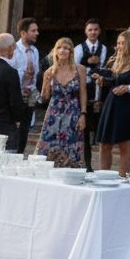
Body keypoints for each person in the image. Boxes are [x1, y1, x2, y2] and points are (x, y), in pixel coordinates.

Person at [94, 30, 130, 178]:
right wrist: (102, 80)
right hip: (111, 104)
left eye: (122, 43)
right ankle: (104, 178)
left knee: (124, 145)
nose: (119, 46)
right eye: (118, 43)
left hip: (127, 106)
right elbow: (109, 81)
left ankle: (123, 178)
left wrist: (129, 88)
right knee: (104, 144)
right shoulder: (113, 61)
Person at [34, 37, 86, 166]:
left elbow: (83, 92)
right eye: (60, 48)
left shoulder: (79, 70)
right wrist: (46, 81)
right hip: (54, 114)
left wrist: (83, 114)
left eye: (66, 48)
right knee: (48, 150)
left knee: (71, 149)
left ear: (71, 52)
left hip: (73, 113)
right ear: (55, 51)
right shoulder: (50, 71)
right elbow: (45, 97)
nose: (63, 50)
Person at [74, 18, 108, 170]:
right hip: (84, 93)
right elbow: (74, 70)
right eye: (90, 30)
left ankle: (102, 166)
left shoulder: (105, 49)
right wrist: (90, 72)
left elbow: (108, 70)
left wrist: (102, 76)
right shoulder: (79, 49)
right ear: (85, 32)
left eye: (95, 29)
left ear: (99, 31)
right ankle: (86, 164)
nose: (93, 32)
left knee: (100, 132)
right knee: (84, 133)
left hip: (99, 95)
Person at [12, 18, 40, 153]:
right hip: (16, 98)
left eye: (37, 30)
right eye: (33, 31)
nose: (37, 33)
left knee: (24, 133)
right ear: (23, 33)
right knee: (14, 134)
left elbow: (35, 76)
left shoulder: (35, 51)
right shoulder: (14, 50)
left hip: (29, 100)